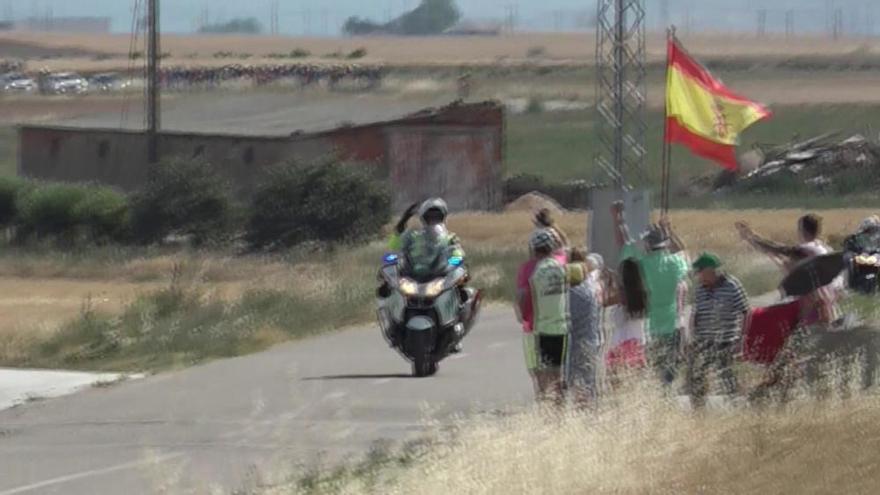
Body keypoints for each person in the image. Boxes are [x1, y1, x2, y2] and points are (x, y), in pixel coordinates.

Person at [611, 201, 690, 390]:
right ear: (664, 244)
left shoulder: (642, 264)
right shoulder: (675, 263)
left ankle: (657, 402)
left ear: (647, 244)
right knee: (669, 372)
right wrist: (668, 230)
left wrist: (619, 220)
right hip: (673, 326)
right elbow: (684, 252)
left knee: (654, 372)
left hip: (650, 327)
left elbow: (624, 245)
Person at [736, 214, 841, 325]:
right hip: (828, 306)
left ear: (802, 230)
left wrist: (752, 237)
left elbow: (777, 249)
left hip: (815, 309)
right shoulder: (823, 248)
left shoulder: (807, 249)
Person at [687, 253, 750, 410]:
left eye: (700, 272)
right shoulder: (700, 289)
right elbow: (696, 314)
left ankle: (737, 407)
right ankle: (698, 410)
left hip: (727, 340)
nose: (699, 276)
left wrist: (742, 340)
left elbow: (746, 312)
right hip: (704, 340)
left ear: (711, 270)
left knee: (727, 375)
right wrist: (691, 337)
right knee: (696, 374)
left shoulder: (732, 285)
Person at [520, 229, 571, 406]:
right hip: (562, 326)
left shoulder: (536, 273)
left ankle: (549, 405)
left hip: (543, 327)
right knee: (559, 370)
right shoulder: (562, 268)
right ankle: (560, 404)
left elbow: (529, 302)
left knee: (545, 371)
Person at [565, 248, 603, 409]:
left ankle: (579, 406)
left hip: (574, 342)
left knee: (574, 378)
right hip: (592, 338)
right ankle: (589, 407)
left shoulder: (569, 295)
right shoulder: (592, 290)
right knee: (589, 378)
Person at [604, 257, 649, 389]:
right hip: (637, 341)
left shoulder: (620, 295)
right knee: (635, 386)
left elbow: (608, 306)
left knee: (616, 386)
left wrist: (610, 283)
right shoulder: (642, 294)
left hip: (619, 341)